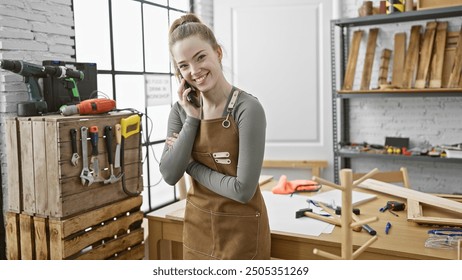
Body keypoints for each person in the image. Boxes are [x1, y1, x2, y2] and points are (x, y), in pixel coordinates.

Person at [159, 13, 270, 260]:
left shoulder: (247, 109)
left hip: (242, 234)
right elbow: (169, 174)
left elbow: (242, 190)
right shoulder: (180, 111)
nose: (194, 71)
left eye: (200, 58)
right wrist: (192, 120)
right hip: (198, 230)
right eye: (184, 65)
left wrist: (190, 164)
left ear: (218, 53)